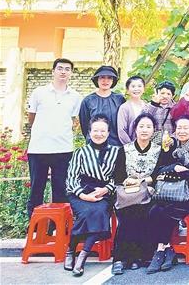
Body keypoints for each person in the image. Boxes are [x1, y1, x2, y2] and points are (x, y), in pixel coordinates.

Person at [146, 114, 189, 274]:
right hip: (169, 194)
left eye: (186, 128)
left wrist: (174, 172)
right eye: (179, 128)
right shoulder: (170, 148)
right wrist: (175, 168)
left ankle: (161, 251)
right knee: (154, 210)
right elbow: (158, 170)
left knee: (165, 211)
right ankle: (165, 248)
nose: (182, 131)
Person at [26, 58, 83, 218]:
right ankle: (34, 226)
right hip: (38, 149)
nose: (63, 72)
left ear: (71, 73)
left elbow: (74, 120)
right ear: (53, 71)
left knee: (61, 191)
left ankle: (58, 227)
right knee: (36, 189)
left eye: (67, 69)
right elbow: (31, 117)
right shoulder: (39, 92)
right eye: (60, 68)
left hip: (63, 149)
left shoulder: (75, 96)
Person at [64, 115, 119, 277]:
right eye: (95, 130)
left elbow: (119, 177)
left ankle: (82, 256)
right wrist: (83, 196)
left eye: (103, 131)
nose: (99, 134)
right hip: (81, 191)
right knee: (87, 213)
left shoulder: (116, 152)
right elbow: (71, 177)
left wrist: (106, 189)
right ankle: (71, 250)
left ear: (108, 133)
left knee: (99, 212)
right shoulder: (80, 152)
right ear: (89, 132)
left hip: (104, 192)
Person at [111, 113, 160, 274]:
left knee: (144, 212)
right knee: (127, 215)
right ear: (135, 129)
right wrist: (129, 181)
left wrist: (142, 181)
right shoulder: (125, 149)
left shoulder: (158, 150)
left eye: (148, 127)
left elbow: (158, 174)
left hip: (149, 193)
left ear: (154, 130)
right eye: (141, 126)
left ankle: (137, 257)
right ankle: (120, 258)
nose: (144, 130)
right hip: (127, 193)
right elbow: (118, 175)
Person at [79, 65, 124, 147]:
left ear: (113, 81)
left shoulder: (119, 99)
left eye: (109, 78)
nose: (105, 81)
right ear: (97, 79)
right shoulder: (88, 100)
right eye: (102, 77)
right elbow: (85, 125)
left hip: (116, 145)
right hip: (95, 144)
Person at [117, 76, 150, 145]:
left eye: (139, 86)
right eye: (133, 86)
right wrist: (131, 146)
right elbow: (121, 130)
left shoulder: (147, 106)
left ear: (144, 89)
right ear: (127, 90)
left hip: (146, 145)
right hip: (130, 146)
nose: (136, 89)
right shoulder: (124, 108)